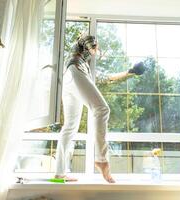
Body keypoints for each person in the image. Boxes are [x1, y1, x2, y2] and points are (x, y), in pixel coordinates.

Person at [55, 35, 145, 183]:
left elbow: (106, 78)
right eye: (97, 47)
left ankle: (59, 172)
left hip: (70, 76)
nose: (97, 49)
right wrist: (92, 46)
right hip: (74, 71)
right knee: (102, 109)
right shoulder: (82, 54)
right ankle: (101, 159)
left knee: (70, 126)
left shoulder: (86, 66)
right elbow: (86, 41)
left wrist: (130, 72)